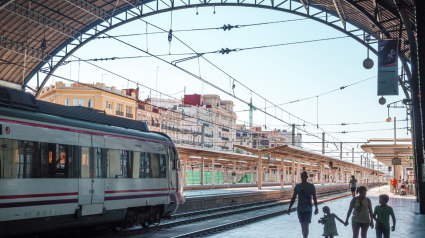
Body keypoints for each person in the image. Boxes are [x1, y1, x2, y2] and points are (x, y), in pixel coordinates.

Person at [288, 171, 319, 238]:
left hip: (304, 209)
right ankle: (305, 237)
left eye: (304, 176)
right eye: (303, 176)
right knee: (304, 225)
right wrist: (289, 208)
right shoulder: (309, 186)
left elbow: (314, 198)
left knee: (305, 225)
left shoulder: (299, 186)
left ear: (306, 177)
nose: (303, 177)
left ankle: (305, 237)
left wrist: (316, 208)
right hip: (305, 208)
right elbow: (314, 198)